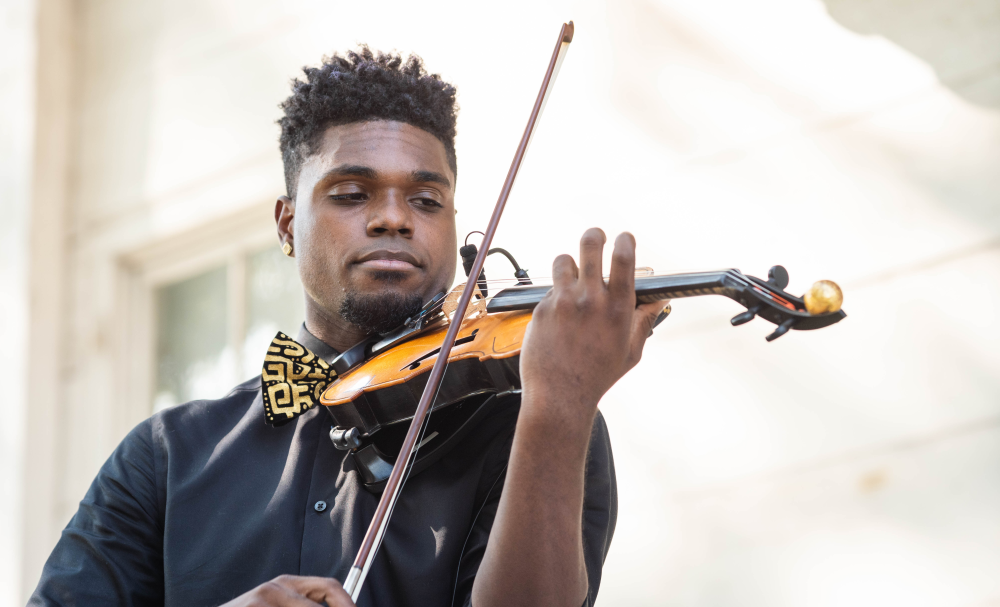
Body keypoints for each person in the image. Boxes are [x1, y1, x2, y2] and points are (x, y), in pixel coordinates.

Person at [29, 47, 666, 607]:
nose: (394, 219)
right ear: (285, 224)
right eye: (351, 194)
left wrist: (559, 410)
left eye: (425, 200)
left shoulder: (527, 418)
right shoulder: (166, 456)